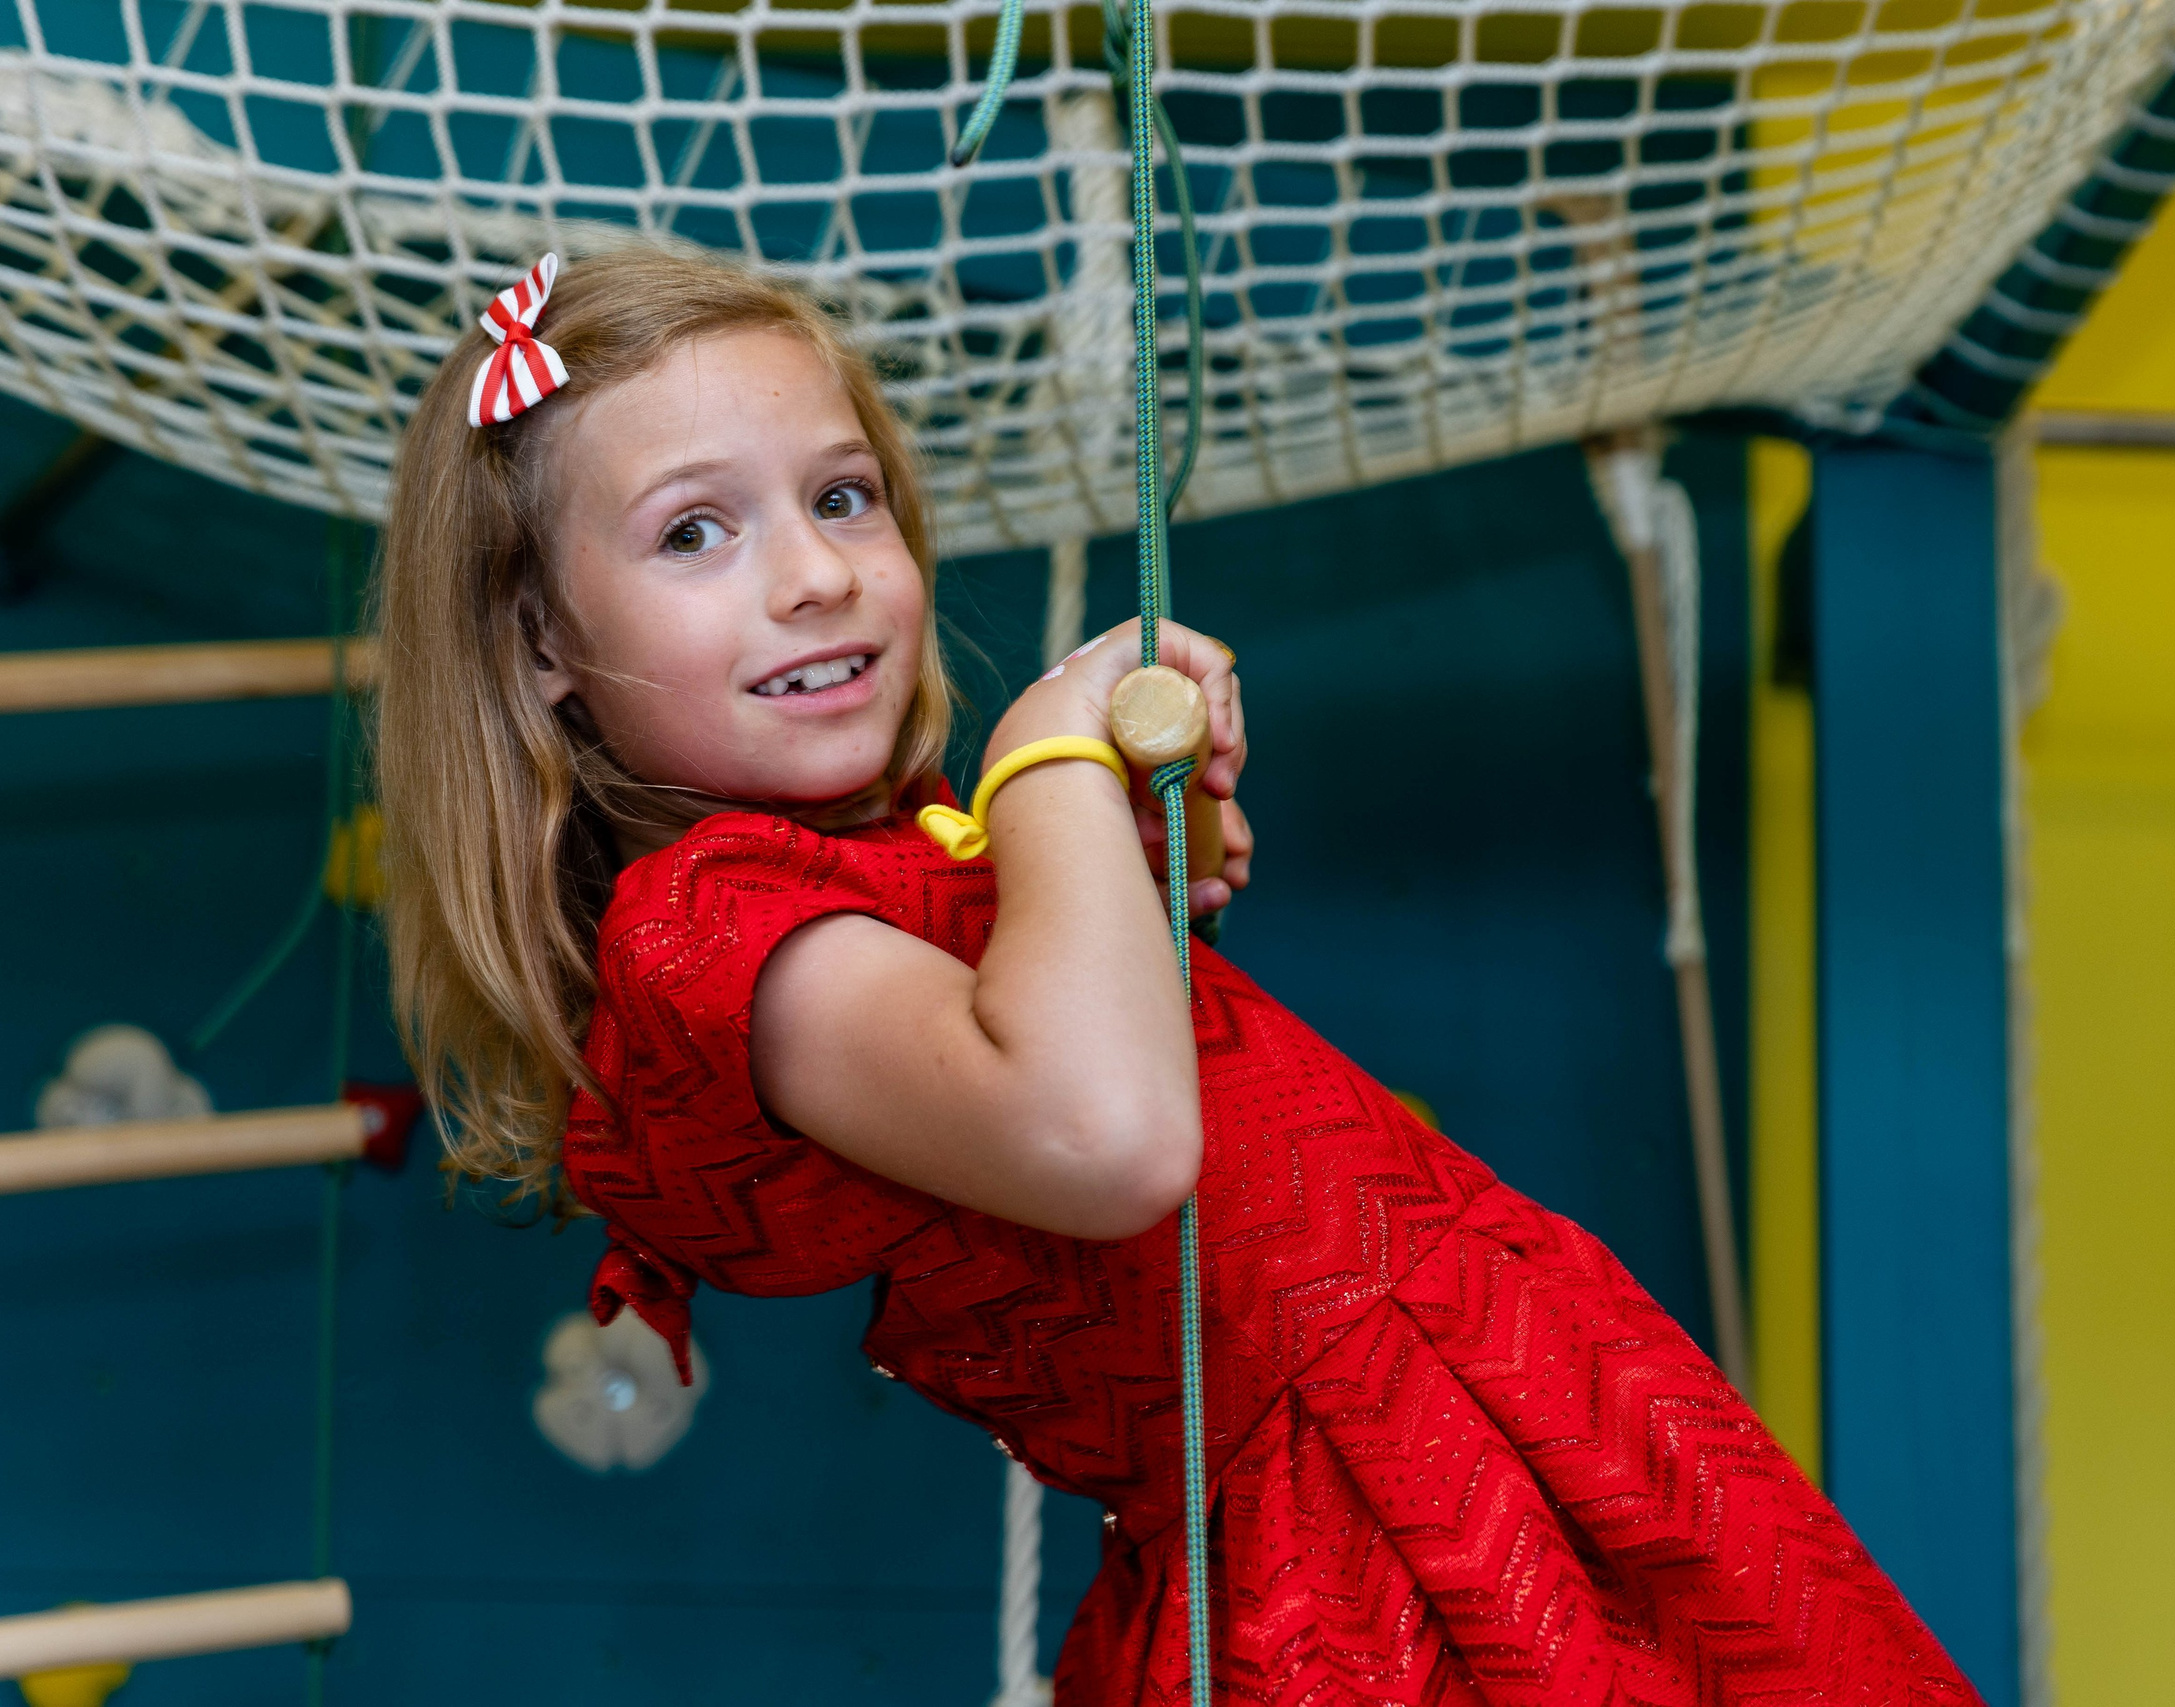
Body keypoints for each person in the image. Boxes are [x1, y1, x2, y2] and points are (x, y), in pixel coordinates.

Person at [376, 246, 1982, 1705]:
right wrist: (1053, 769)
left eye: (845, 497)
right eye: (696, 531)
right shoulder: (705, 932)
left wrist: (1116, 863)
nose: (813, 573)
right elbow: (1108, 1137)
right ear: (538, 648)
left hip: (1496, 1404)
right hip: (1367, 1521)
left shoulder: (897, 869)